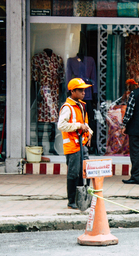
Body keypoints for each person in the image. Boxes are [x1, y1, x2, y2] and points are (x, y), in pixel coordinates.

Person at [57, 78, 93, 209]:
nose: (84, 92)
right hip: (72, 145)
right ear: (73, 91)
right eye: (81, 90)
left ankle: (80, 200)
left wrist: (89, 131)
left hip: (81, 144)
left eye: (84, 90)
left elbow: (85, 123)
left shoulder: (81, 105)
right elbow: (61, 125)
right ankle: (71, 201)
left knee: (83, 172)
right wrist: (79, 126)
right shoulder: (68, 107)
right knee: (73, 173)